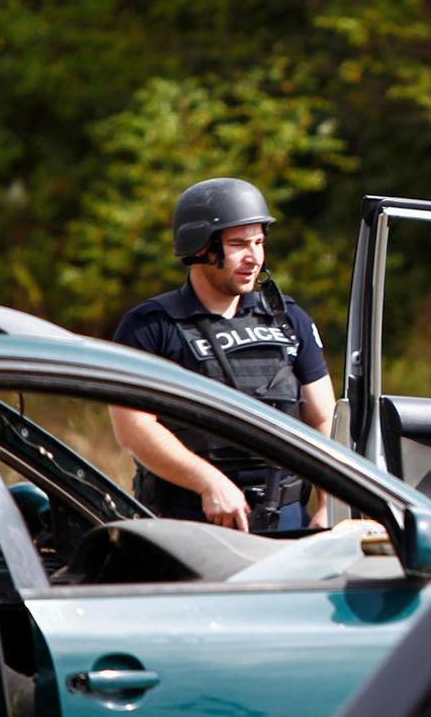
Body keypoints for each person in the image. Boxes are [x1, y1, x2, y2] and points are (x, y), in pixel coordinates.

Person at [110, 177, 336, 532]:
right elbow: (134, 428)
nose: (254, 258)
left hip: (289, 520)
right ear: (200, 247)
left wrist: (329, 503)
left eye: (259, 242)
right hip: (191, 521)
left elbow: (323, 418)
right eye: (238, 244)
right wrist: (208, 482)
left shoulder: (289, 319)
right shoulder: (150, 326)